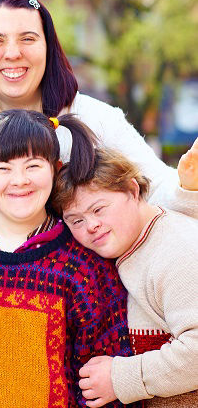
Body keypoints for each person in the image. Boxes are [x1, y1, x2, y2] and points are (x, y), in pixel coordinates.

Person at [0, 109, 132, 407]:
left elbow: (106, 377)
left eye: (33, 166)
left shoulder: (84, 265)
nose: (19, 180)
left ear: (55, 168)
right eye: (3, 168)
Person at [0, 0, 198, 211]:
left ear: (48, 47)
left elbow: (158, 188)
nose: (12, 53)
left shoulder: (96, 119)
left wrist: (186, 184)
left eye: (27, 38)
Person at [53, 147, 198, 408]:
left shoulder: (178, 249)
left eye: (99, 209)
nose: (91, 225)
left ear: (132, 190)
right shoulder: (128, 248)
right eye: (76, 221)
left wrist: (120, 378)